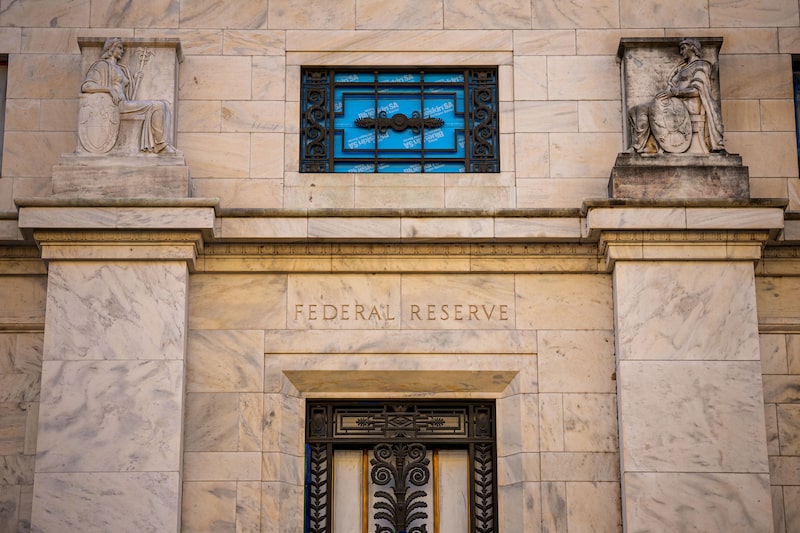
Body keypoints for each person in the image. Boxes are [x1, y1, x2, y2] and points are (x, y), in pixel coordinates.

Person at [629, 38, 725, 154]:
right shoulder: (682, 67)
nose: (681, 52)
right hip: (675, 100)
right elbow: (671, 86)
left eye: (684, 48)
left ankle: (644, 147)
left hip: (688, 103)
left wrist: (675, 92)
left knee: (651, 109)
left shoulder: (701, 65)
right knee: (638, 109)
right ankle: (640, 146)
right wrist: (664, 95)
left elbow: (697, 90)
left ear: (693, 48)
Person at [81, 37, 176, 154]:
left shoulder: (121, 68)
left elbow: (126, 89)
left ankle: (162, 143)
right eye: (119, 48)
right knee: (157, 106)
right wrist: (109, 89)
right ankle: (160, 145)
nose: (122, 51)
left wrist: (135, 78)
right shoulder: (102, 65)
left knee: (165, 104)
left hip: (125, 103)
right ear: (111, 48)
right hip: (115, 106)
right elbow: (86, 86)